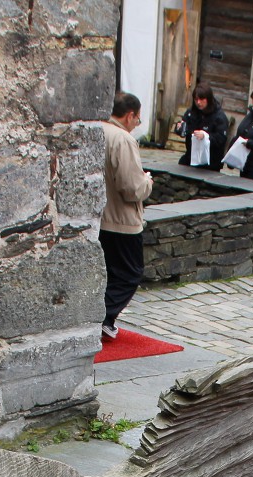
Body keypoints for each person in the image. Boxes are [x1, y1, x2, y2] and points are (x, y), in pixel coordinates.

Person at [99, 92, 154, 340]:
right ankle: (104, 316)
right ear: (130, 115)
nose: (136, 125)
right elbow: (132, 188)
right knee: (130, 273)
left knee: (109, 270)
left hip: (100, 216)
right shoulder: (122, 139)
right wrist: (147, 182)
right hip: (121, 219)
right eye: (137, 119)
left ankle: (100, 316)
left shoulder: (96, 129)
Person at [177, 83, 229, 171]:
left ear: (208, 99)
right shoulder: (191, 112)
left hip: (210, 160)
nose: (198, 103)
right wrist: (180, 128)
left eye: (201, 99)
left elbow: (221, 139)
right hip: (192, 156)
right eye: (196, 99)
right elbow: (184, 128)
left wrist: (206, 136)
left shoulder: (219, 116)